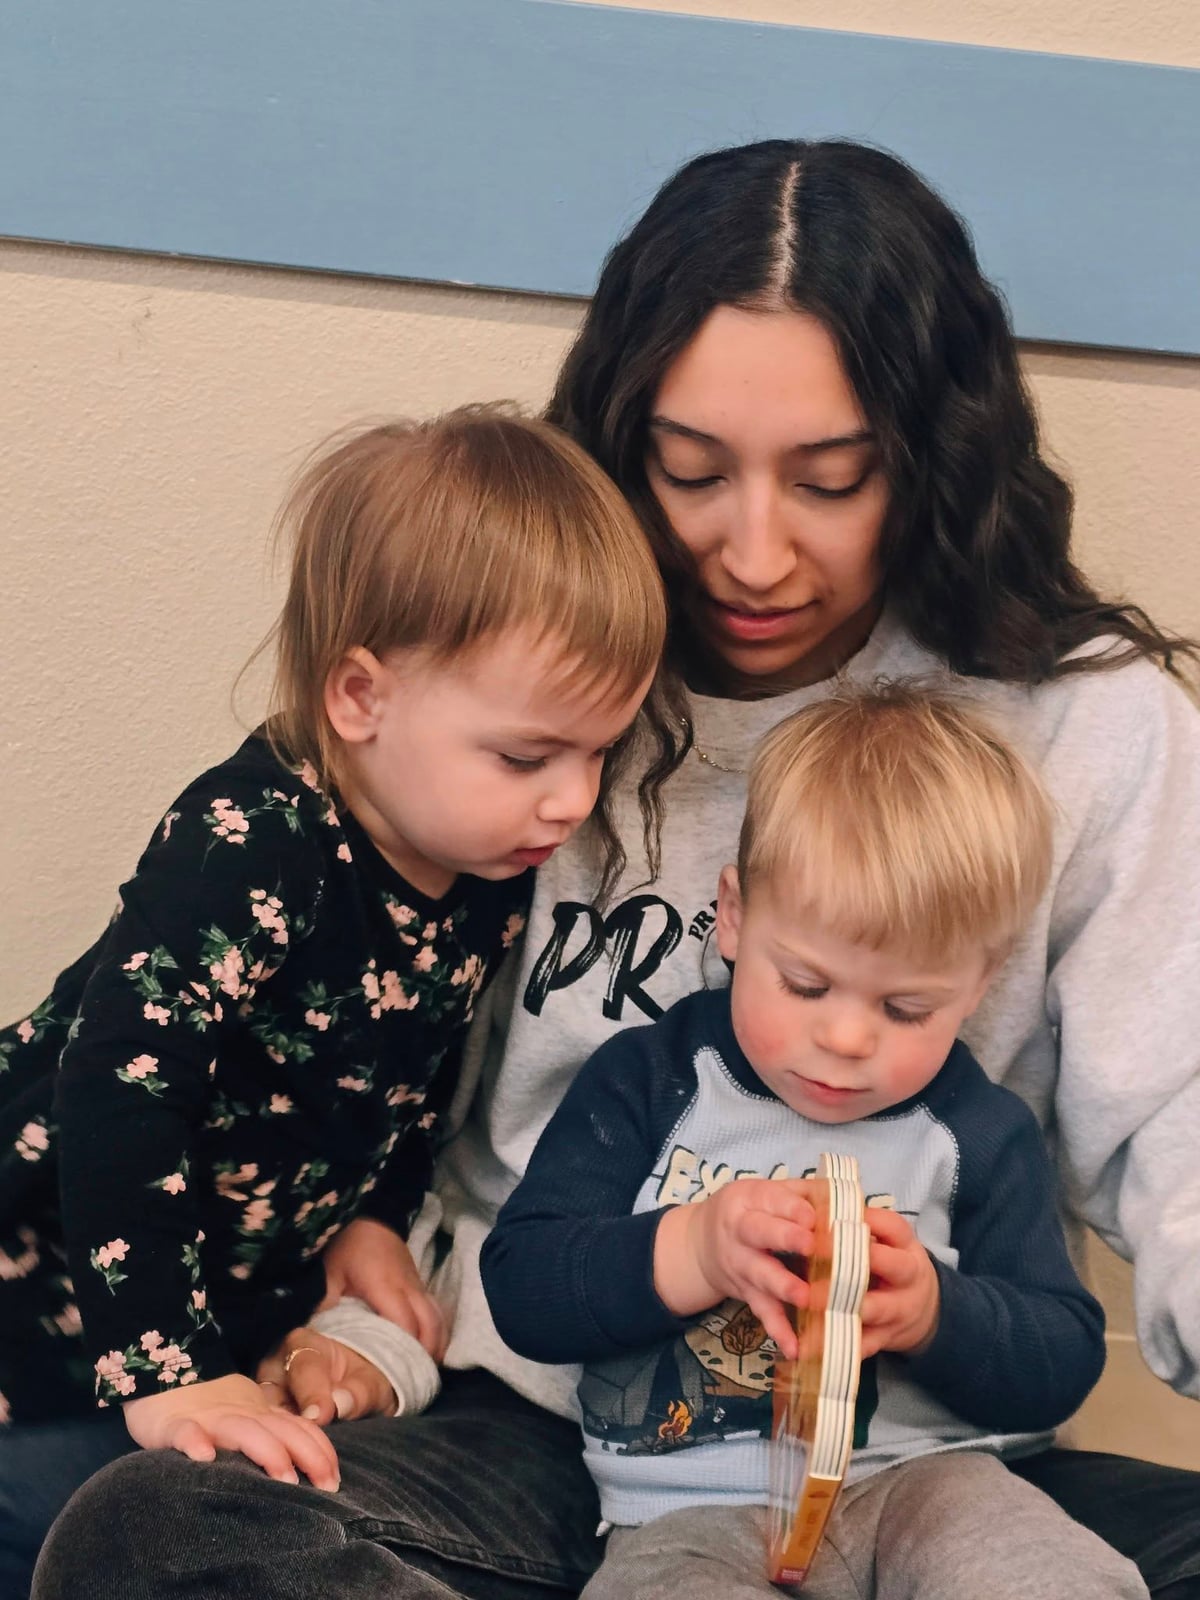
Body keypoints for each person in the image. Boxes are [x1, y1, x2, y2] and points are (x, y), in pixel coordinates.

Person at [32, 139, 1200, 1600]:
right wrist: (351, 1256)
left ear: (935, 459)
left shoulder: (1091, 729)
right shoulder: (550, 683)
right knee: (149, 1527)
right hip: (549, 1438)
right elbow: (306, 1003)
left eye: (833, 482)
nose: (753, 554)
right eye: (691, 471)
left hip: (933, 1466)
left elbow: (1178, 1119)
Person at [0, 404, 665, 1596]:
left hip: (221, 1265)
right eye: (527, 757)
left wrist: (373, 1216)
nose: (571, 802)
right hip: (46, 1227)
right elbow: (118, 1086)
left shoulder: (482, 869)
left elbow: (417, 1084)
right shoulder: (253, 838)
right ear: (362, 696)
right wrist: (168, 1367)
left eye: (599, 755)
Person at [481, 685, 1147, 1600]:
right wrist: (693, 1248)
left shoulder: (977, 1131)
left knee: (1038, 1568)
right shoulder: (651, 1081)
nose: (844, 1039)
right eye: (803, 984)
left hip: (925, 1485)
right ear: (737, 917)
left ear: (980, 984)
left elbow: (1062, 1358)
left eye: (906, 1008)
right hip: (684, 1511)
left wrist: (935, 1313)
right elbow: (523, 1288)